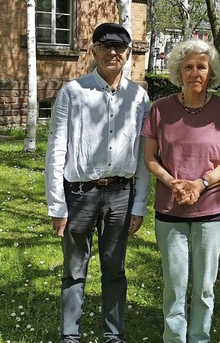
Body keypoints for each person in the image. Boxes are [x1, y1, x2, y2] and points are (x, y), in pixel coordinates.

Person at [44, 22, 151, 343]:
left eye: (120, 48)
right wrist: (56, 205)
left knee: (114, 269)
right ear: (94, 50)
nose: (113, 53)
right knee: (75, 269)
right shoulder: (73, 92)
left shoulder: (139, 97)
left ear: (128, 53)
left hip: (121, 193)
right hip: (79, 194)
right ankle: (70, 335)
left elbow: (144, 154)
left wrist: (140, 203)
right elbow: (56, 149)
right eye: (106, 46)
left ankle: (113, 335)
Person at [141, 39, 220, 343]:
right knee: (174, 285)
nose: (194, 72)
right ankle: (174, 339)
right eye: (188, 67)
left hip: (211, 210)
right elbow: (149, 158)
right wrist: (174, 183)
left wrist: (200, 184)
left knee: (206, 287)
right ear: (178, 71)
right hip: (170, 210)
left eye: (201, 66)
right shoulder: (160, 109)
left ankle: (199, 338)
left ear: (211, 73)